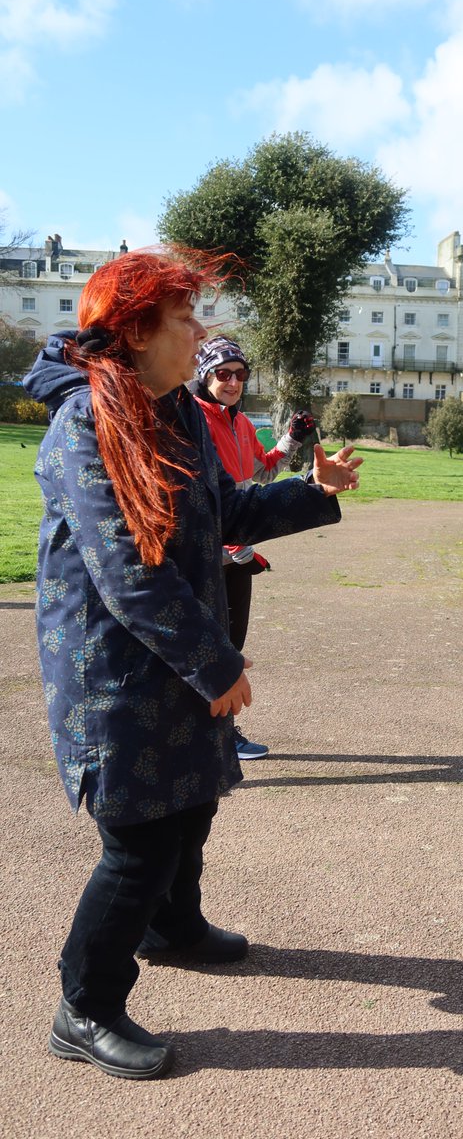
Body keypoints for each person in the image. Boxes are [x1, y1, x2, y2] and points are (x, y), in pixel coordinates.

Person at [23, 247, 361, 1081]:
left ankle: (174, 925)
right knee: (138, 840)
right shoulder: (86, 425)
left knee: (193, 801)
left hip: (173, 655)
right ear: (136, 331)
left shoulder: (172, 410)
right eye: (183, 318)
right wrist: (217, 665)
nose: (199, 331)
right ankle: (84, 1006)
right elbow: (128, 573)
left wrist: (315, 494)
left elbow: (226, 507)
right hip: (112, 671)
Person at [192, 334, 317, 760]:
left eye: (239, 374)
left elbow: (262, 475)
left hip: (239, 552)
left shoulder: (240, 423)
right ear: (204, 375)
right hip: (207, 555)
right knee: (208, 646)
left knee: (231, 644)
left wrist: (292, 438)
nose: (232, 381)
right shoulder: (193, 418)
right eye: (222, 373)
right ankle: (214, 739)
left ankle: (218, 734)